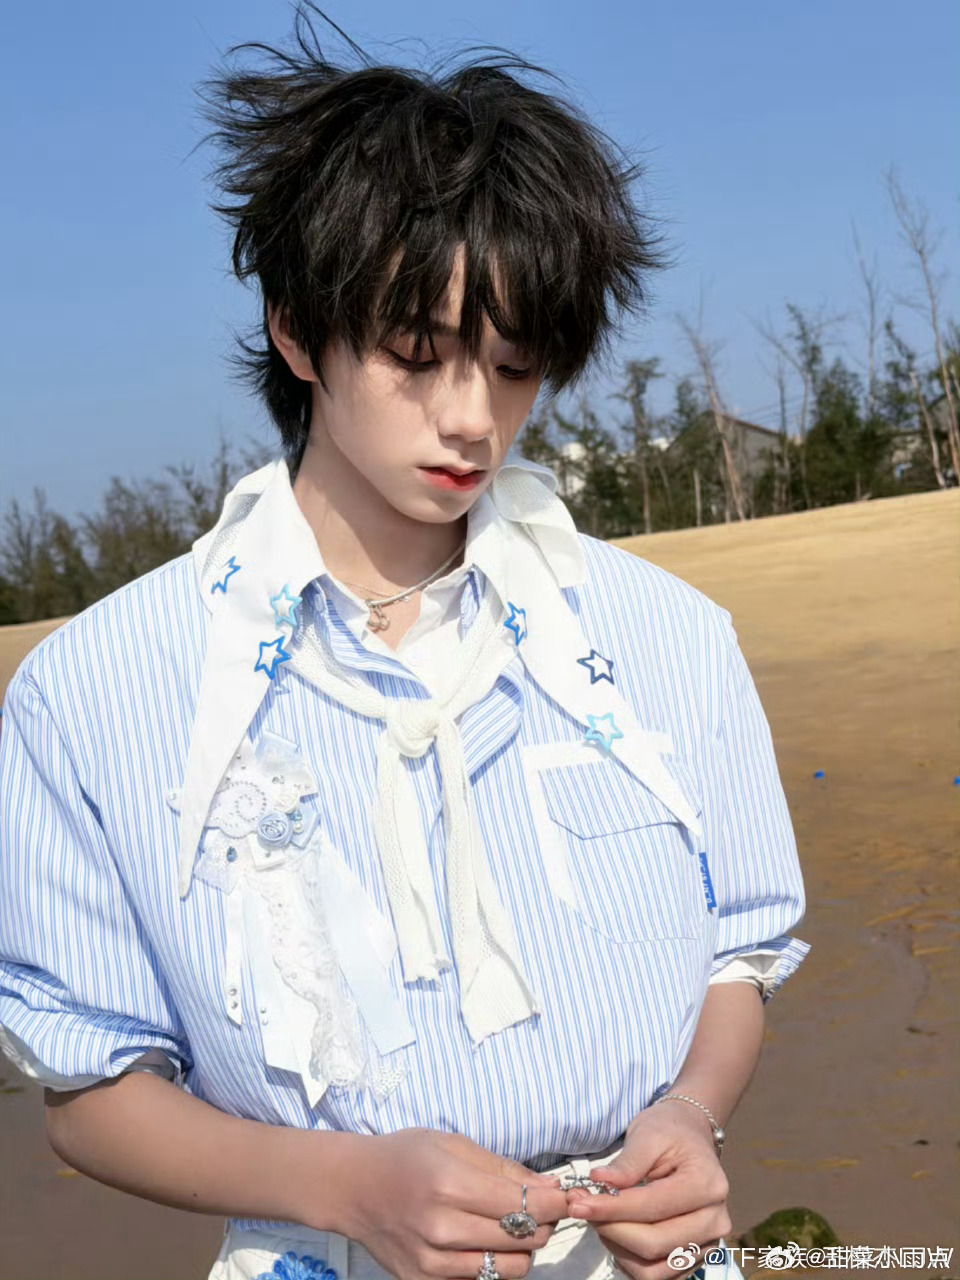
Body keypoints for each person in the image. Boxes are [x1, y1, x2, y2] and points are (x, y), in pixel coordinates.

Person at [0, 9, 809, 1280]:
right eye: (417, 355)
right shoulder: (95, 690)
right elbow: (89, 1081)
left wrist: (689, 1115)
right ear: (295, 330)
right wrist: (348, 1184)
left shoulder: (665, 639)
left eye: (515, 364)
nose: (472, 416)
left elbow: (738, 950)